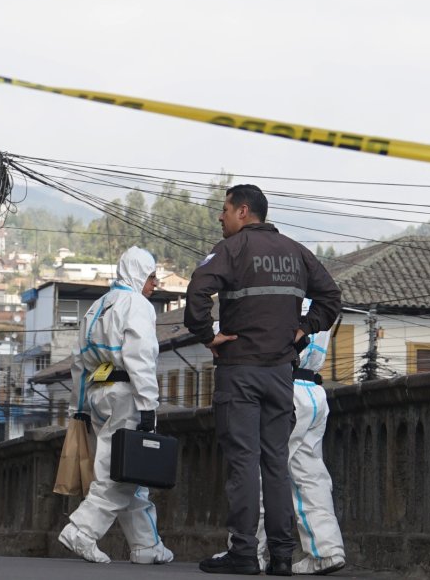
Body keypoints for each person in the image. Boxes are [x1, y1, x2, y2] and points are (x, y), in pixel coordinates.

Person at [184, 184, 341, 576]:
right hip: (280, 375)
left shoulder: (232, 250)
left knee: (243, 463)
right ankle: (283, 556)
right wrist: (304, 329)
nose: (220, 217)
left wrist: (207, 335)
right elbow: (331, 298)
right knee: (276, 464)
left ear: (242, 211)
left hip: (240, 371)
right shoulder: (296, 251)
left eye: (223, 210)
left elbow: (197, 291)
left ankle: (244, 552)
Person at [58, 246, 174, 565]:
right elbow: (141, 358)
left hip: (99, 391)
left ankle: (146, 545)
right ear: (138, 274)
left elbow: (80, 361)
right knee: (120, 474)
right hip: (127, 395)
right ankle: (82, 530)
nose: (154, 285)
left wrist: (79, 406)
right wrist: (149, 405)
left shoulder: (97, 306)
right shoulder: (137, 305)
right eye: (151, 277)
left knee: (128, 468)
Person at [253, 327, 347, 575]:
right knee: (311, 477)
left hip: (285, 388)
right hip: (314, 391)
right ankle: (327, 551)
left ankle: (250, 550)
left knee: (265, 471)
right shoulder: (318, 302)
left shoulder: (284, 294)